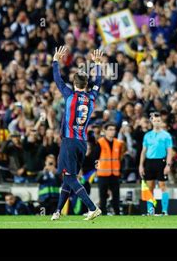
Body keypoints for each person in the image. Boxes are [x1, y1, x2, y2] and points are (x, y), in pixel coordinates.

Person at [51, 46, 103, 221]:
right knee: (67, 177)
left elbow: (57, 79)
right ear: (86, 85)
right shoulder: (92, 97)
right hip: (82, 143)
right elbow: (99, 82)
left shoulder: (69, 95)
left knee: (71, 178)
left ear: (74, 84)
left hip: (69, 141)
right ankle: (57, 211)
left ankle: (92, 207)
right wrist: (98, 64)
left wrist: (55, 60)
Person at [139, 112, 173, 215]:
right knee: (150, 187)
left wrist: (168, 165)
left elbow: (169, 151)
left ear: (161, 122)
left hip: (161, 162)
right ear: (152, 122)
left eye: (158, 121)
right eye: (155, 121)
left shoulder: (166, 135)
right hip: (149, 162)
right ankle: (150, 210)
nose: (157, 123)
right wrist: (141, 165)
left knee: (163, 186)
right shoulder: (147, 135)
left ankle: (164, 210)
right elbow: (144, 151)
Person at [95, 123, 125, 215]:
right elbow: (95, 157)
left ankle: (117, 213)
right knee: (103, 196)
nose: (112, 131)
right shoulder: (100, 142)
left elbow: (121, 158)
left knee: (116, 196)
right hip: (103, 174)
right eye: (110, 129)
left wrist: (120, 171)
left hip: (115, 174)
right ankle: (103, 213)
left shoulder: (118, 143)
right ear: (105, 131)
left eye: (114, 129)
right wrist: (97, 169)